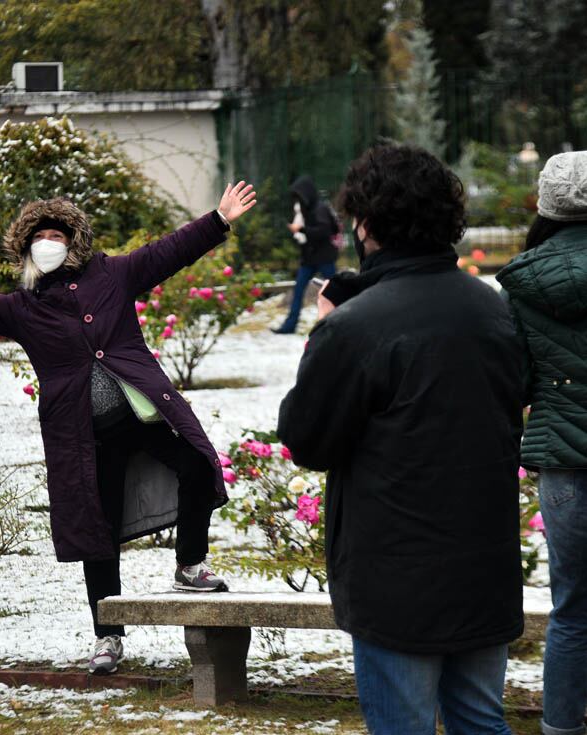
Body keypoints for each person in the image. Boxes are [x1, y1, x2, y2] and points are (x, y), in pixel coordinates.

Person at [0, 182, 257, 674]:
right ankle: (108, 639)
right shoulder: (23, 306)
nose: (49, 242)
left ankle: (189, 564)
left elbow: (169, 252)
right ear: (27, 247)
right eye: (40, 236)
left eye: (57, 234)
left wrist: (218, 220)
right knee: (97, 534)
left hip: (139, 416)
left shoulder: (113, 274)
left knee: (195, 463)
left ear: (73, 240)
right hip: (85, 438)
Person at [277, 144, 524, 734]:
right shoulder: (489, 308)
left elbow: (307, 439)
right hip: (483, 565)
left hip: (396, 577)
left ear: (365, 223)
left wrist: (325, 327)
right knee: (481, 721)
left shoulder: (356, 326)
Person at [496, 150, 587, 735]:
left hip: (563, 464)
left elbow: (517, 380)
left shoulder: (525, 279)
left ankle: (560, 728)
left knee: (572, 609)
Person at [272, 175, 340, 334]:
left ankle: (344, 320)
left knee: (336, 291)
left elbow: (323, 232)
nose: (298, 200)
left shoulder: (320, 209)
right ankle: (290, 325)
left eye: (299, 196)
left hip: (323, 258)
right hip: (309, 259)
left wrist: (301, 230)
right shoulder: (305, 210)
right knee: (298, 291)